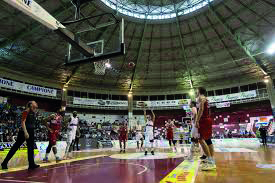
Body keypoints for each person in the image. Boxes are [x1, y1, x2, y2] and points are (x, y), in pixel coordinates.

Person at [1, 101, 40, 170]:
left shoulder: (34, 112)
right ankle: (4, 162)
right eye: (35, 103)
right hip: (24, 131)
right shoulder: (26, 111)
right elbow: (23, 122)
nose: (36, 104)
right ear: (31, 105)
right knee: (16, 147)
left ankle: (31, 164)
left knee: (31, 148)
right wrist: (25, 132)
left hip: (31, 131)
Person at [195, 87, 216, 170]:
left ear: (199, 91)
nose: (195, 92)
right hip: (208, 119)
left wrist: (197, 120)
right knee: (208, 140)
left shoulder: (200, 98)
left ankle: (210, 161)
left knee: (200, 139)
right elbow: (208, 111)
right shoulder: (206, 99)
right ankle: (211, 159)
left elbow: (201, 109)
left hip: (203, 120)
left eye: (196, 91)